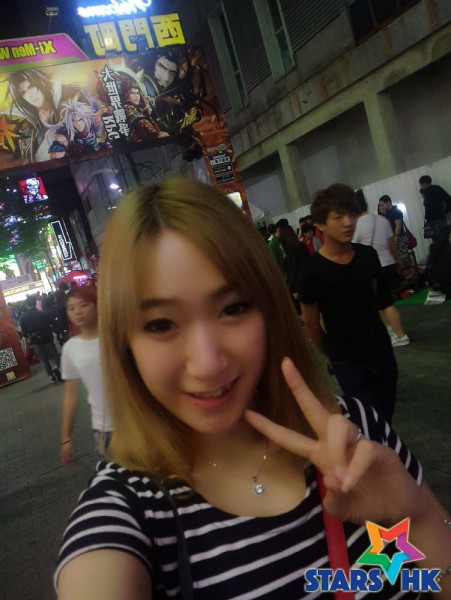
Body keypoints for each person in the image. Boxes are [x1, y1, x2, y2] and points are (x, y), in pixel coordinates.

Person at [55, 179, 451, 600]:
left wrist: (419, 516)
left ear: (268, 311)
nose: (207, 363)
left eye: (233, 308)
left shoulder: (356, 432)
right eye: (160, 324)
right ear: (124, 343)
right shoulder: (126, 512)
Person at [300, 184, 398, 424]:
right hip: (346, 358)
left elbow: (371, 300)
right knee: (370, 420)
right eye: (338, 217)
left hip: (381, 349)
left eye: (351, 214)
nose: (348, 222)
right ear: (320, 224)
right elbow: (311, 325)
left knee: (386, 415)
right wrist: (329, 355)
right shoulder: (311, 272)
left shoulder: (368, 256)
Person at [60, 286, 113, 465]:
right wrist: (66, 437)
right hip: (103, 427)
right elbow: (71, 394)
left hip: (138, 421)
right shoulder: (70, 349)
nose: (77, 312)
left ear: (97, 305)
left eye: (84, 305)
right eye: (71, 308)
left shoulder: (116, 336)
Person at [353, 190, 409, 347]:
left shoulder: (357, 226)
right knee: (381, 302)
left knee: (385, 303)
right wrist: (396, 260)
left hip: (374, 269)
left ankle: (401, 336)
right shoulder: (382, 220)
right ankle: (390, 331)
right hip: (388, 264)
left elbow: (355, 250)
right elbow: (392, 244)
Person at [20, 295, 61, 383]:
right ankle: (56, 367)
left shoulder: (23, 318)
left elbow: (24, 334)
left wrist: (26, 346)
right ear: (35, 303)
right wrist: (52, 329)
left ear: (27, 305)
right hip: (47, 337)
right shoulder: (43, 313)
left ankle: (52, 376)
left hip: (35, 341)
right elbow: (53, 322)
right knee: (54, 354)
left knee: (44, 359)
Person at [378, 195, 414, 280]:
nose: (381, 207)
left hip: (399, 238)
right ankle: (404, 276)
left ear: (388, 202)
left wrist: (395, 239)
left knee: (404, 257)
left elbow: (398, 226)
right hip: (393, 239)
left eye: (382, 204)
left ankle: (411, 275)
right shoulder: (387, 213)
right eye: (380, 205)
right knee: (398, 259)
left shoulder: (396, 211)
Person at [419, 175, 451, 243]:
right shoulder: (437, 189)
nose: (421, 186)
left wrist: (445, 211)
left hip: (433, 221)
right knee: (443, 241)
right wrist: (445, 211)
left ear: (424, 183)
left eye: (421, 184)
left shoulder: (427, 192)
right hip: (439, 219)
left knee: (437, 243)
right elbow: (448, 200)